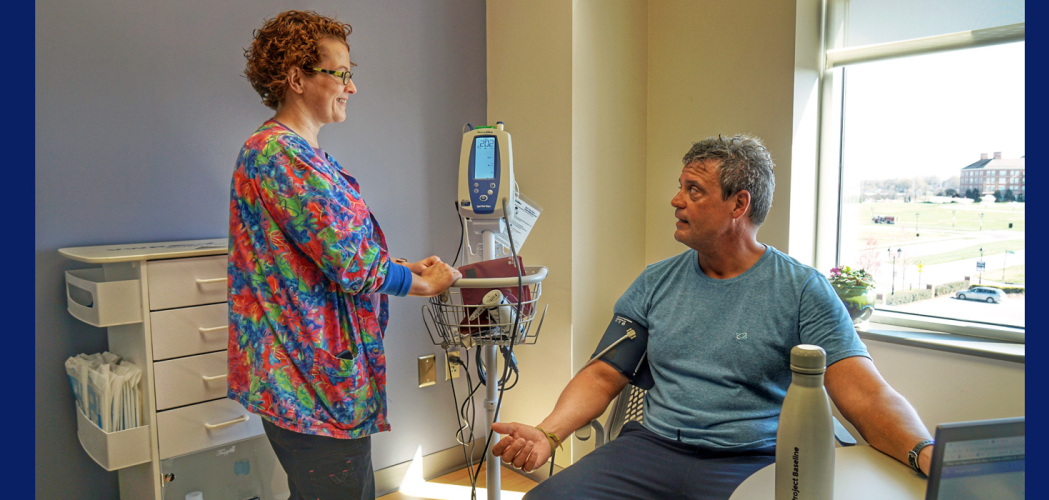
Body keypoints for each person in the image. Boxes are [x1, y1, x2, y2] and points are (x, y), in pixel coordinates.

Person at [491, 134, 936, 499]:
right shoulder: (655, 282)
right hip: (652, 449)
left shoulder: (802, 290)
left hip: (754, 459)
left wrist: (924, 453)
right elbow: (604, 374)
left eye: (693, 190)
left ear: (738, 205)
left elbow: (866, 395)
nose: (675, 200)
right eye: (680, 186)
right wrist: (547, 434)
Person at [226, 10, 461, 500]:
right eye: (342, 74)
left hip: (319, 374)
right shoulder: (277, 154)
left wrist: (399, 268)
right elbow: (350, 264)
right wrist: (420, 284)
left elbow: (331, 252)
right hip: (308, 379)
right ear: (296, 79)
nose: (351, 88)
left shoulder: (305, 155)